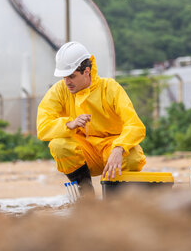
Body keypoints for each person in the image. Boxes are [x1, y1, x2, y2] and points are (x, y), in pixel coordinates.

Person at [37, 41, 147, 194]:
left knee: (132, 156)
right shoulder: (60, 90)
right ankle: (86, 194)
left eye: (71, 76)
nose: (67, 82)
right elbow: (42, 128)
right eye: (64, 77)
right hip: (84, 152)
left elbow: (135, 126)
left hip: (112, 149)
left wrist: (119, 148)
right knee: (58, 145)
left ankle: (117, 199)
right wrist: (68, 124)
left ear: (86, 71)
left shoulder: (110, 88)